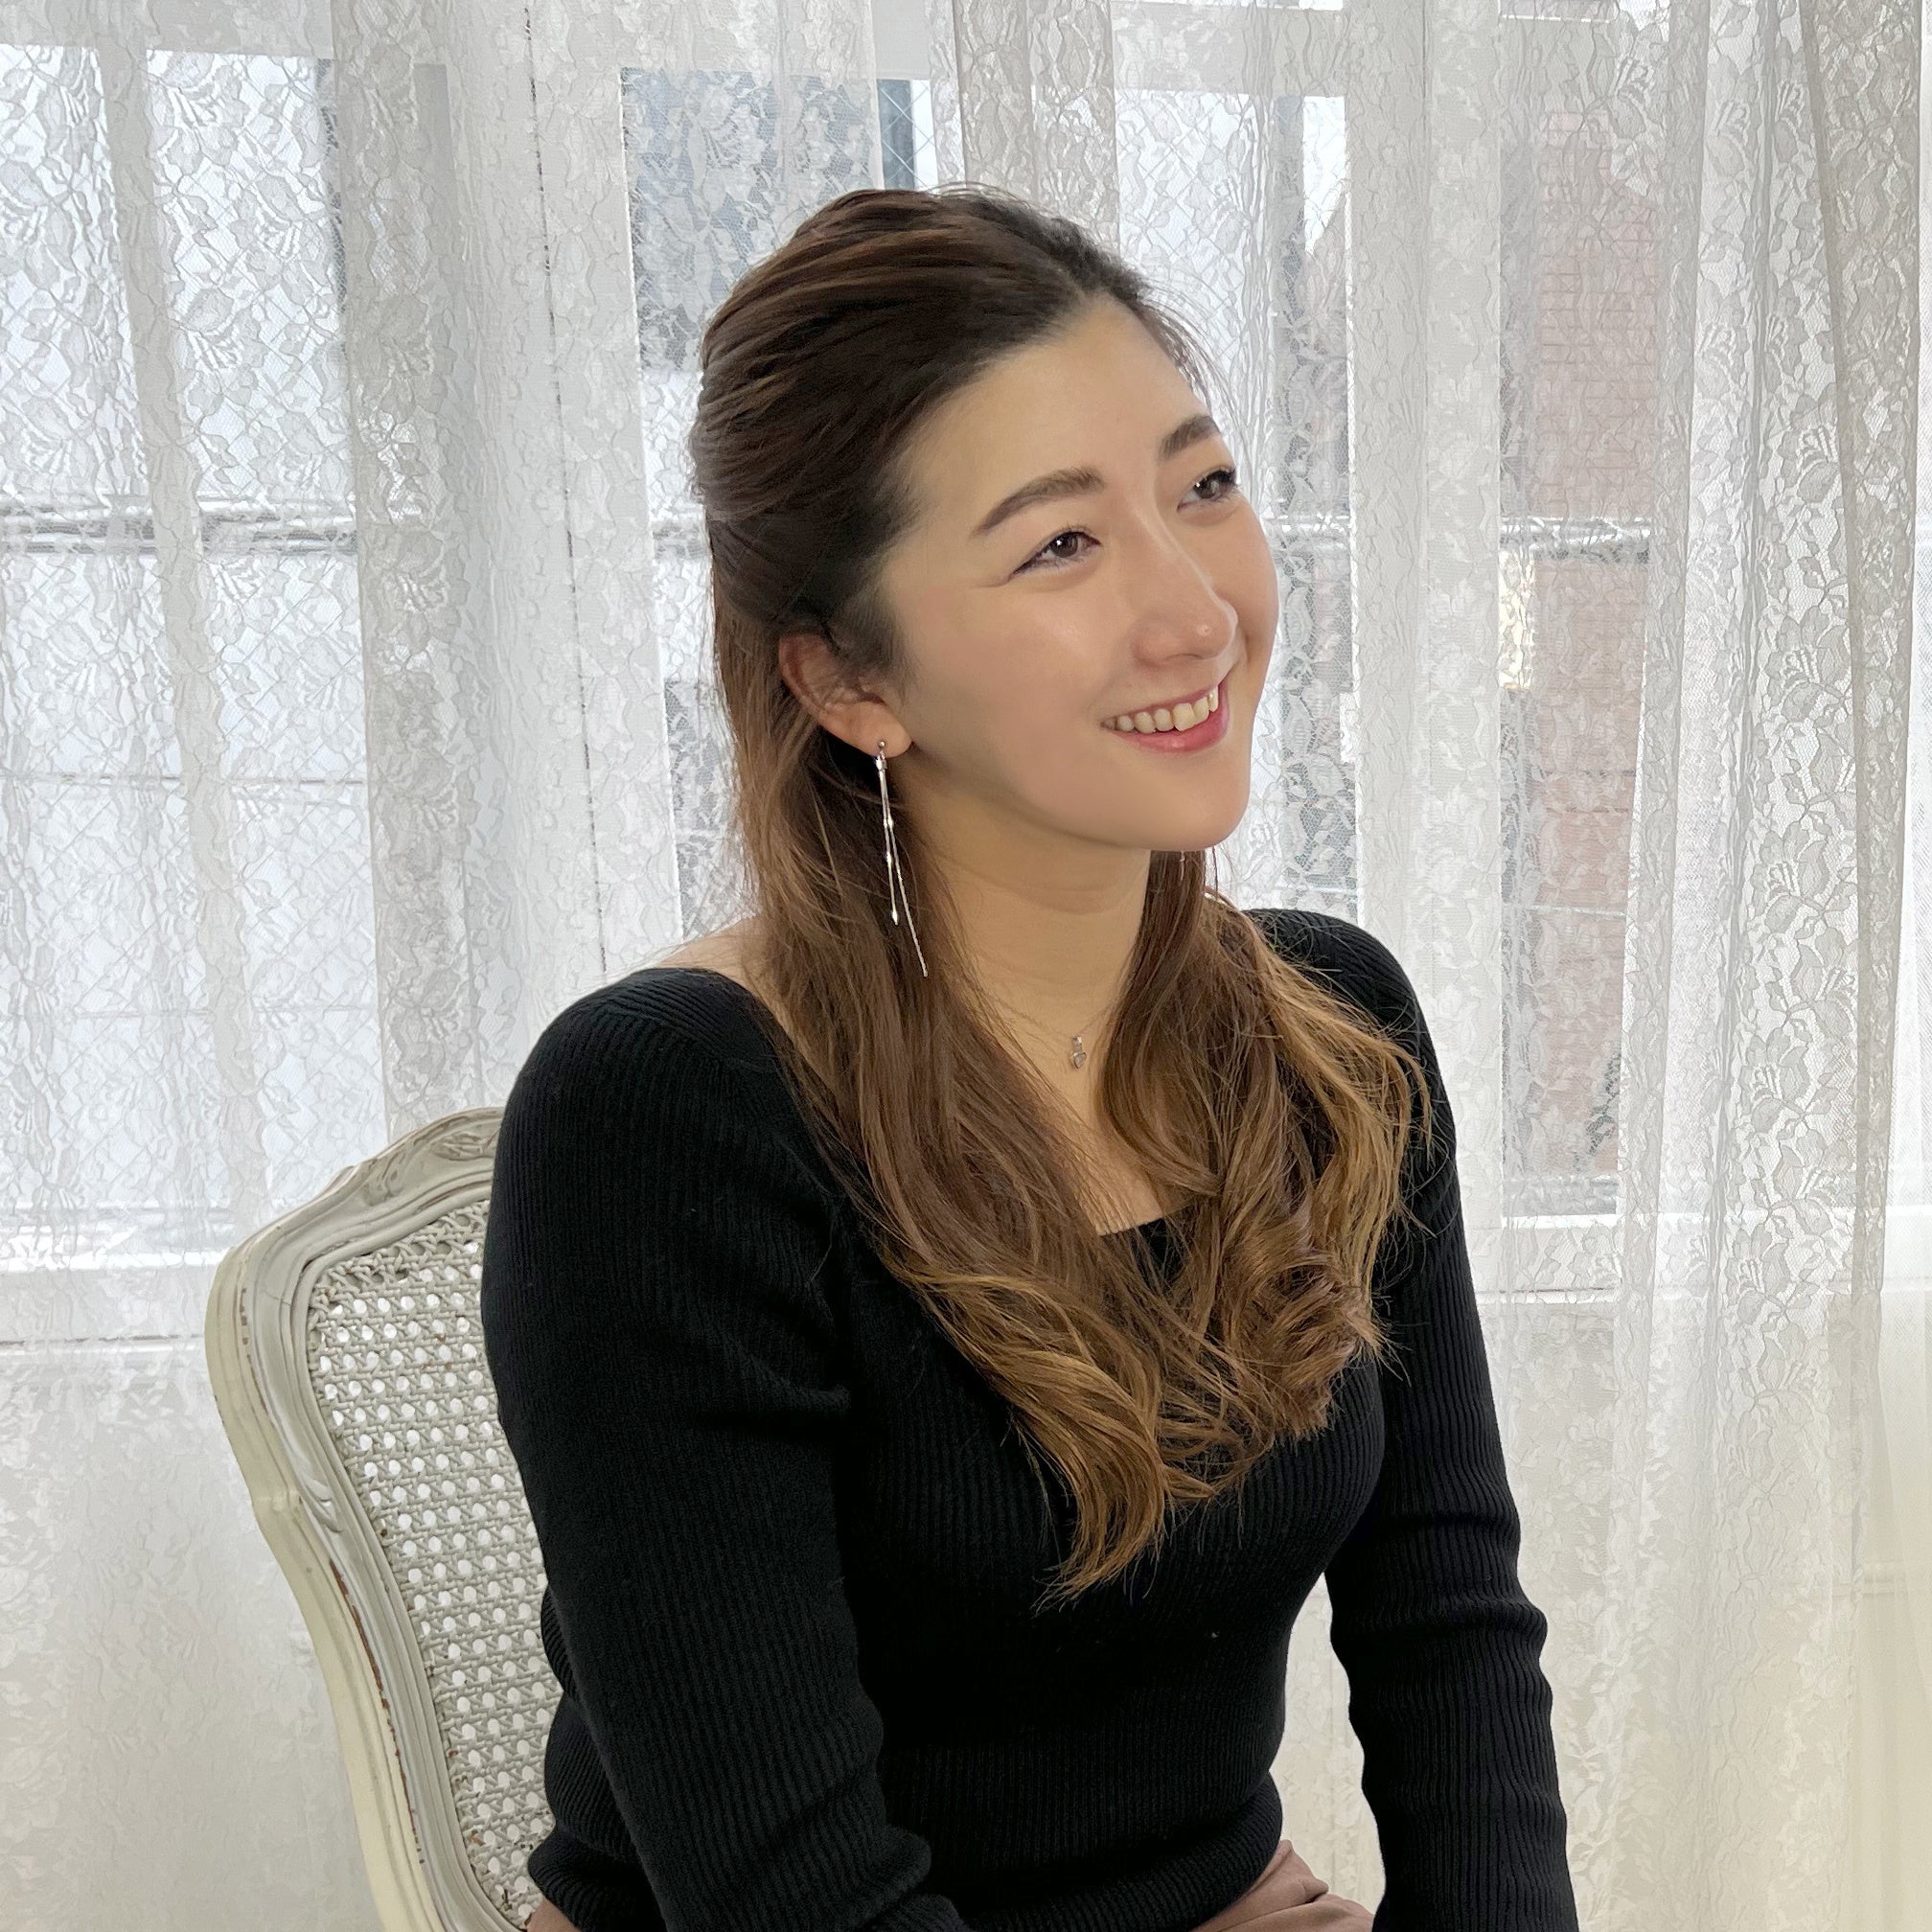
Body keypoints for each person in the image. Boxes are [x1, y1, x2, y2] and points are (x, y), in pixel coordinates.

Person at [480, 183, 1579, 1932]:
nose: (1196, 613)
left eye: (1200, 488)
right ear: (850, 680)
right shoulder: (666, 1116)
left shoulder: (1335, 1034)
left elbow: (1451, 1632)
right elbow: (792, 1893)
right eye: (1061, 545)